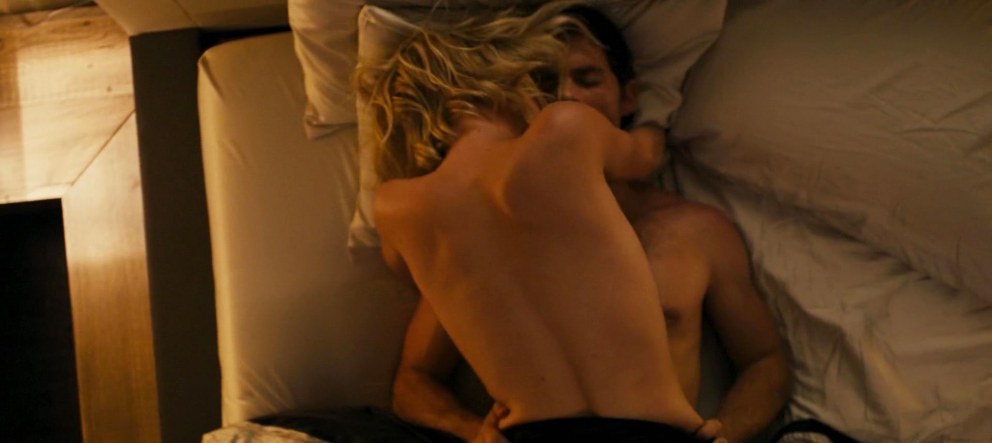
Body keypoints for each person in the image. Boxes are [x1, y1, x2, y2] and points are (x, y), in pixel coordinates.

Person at [357, 3, 788, 442]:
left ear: (628, 96)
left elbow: (765, 361)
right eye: (544, 84)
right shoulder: (475, 246)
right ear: (510, 90)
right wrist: (471, 432)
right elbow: (413, 381)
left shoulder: (697, 231)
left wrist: (729, 436)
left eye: (587, 79)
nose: (564, 98)